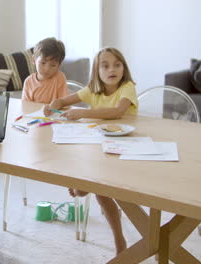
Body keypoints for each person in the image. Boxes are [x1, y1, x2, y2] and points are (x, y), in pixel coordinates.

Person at [44, 47, 138, 255]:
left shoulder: (127, 87)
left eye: (117, 64)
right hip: (100, 151)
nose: (112, 69)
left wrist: (82, 112)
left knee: (94, 187)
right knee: (97, 186)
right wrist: (55, 103)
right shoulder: (92, 90)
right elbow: (64, 102)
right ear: (97, 71)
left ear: (124, 67)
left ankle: (83, 186)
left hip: (127, 151)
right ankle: (119, 239)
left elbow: (117, 112)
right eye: (105, 66)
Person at [22, 37, 69, 104]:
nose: (47, 69)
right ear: (34, 60)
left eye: (53, 65)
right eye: (43, 63)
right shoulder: (28, 81)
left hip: (54, 113)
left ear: (59, 66)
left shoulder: (60, 77)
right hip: (34, 114)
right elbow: (25, 106)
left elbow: (64, 103)